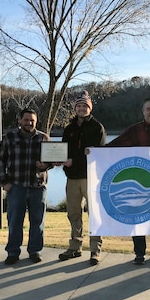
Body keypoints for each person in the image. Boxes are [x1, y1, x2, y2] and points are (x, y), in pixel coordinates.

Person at [108, 97, 150, 265]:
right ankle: (139, 253)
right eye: (148, 109)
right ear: (143, 111)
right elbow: (115, 145)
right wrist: (95, 151)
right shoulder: (134, 131)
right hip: (139, 182)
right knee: (138, 216)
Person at [0, 108, 52, 265]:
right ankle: (13, 252)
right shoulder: (9, 137)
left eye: (32, 121)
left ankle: (35, 251)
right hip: (16, 187)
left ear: (36, 122)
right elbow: (0, 160)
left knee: (37, 221)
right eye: (26, 120)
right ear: (20, 120)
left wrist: (45, 166)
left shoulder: (44, 138)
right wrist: (4, 182)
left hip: (38, 187)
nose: (29, 123)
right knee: (15, 222)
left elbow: (52, 161)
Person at [58, 91, 106, 266]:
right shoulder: (69, 128)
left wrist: (74, 159)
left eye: (84, 106)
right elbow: (62, 150)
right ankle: (75, 246)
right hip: (72, 178)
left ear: (89, 108)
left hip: (90, 178)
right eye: (78, 106)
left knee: (94, 214)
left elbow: (99, 154)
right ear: (75, 109)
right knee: (73, 213)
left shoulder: (97, 127)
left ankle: (95, 250)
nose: (81, 109)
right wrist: (58, 160)